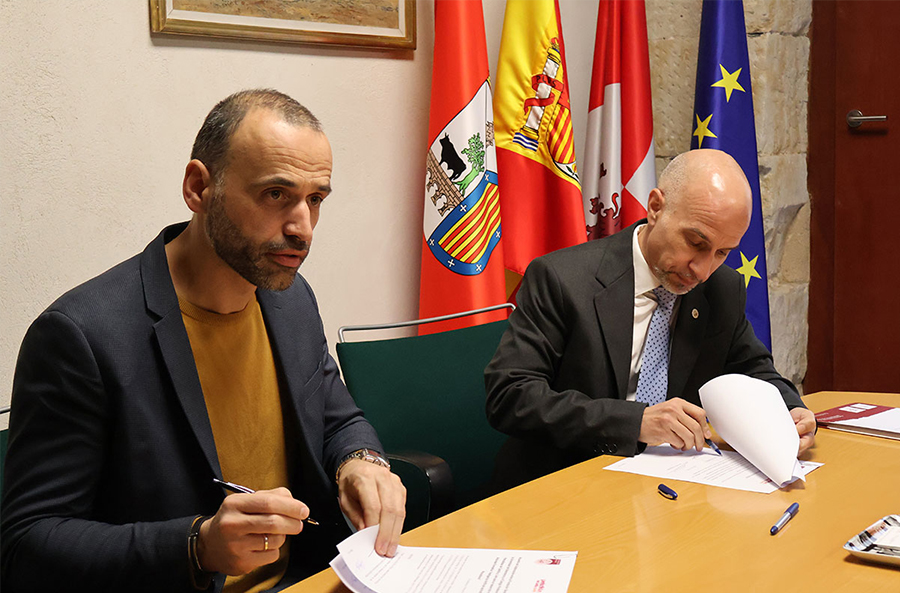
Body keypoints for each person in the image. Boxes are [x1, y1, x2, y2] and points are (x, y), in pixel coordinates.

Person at [1, 89, 405, 593]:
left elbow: (336, 418)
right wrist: (196, 546)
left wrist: (359, 464)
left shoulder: (290, 298)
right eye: (276, 194)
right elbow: (27, 546)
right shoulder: (81, 336)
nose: (303, 228)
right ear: (198, 188)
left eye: (315, 198)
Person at [484, 149, 816, 487]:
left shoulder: (722, 289)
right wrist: (635, 423)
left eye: (722, 253)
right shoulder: (562, 279)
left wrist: (789, 409)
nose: (702, 270)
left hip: (672, 484)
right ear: (655, 207)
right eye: (695, 242)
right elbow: (510, 396)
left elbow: (754, 368)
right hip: (564, 481)